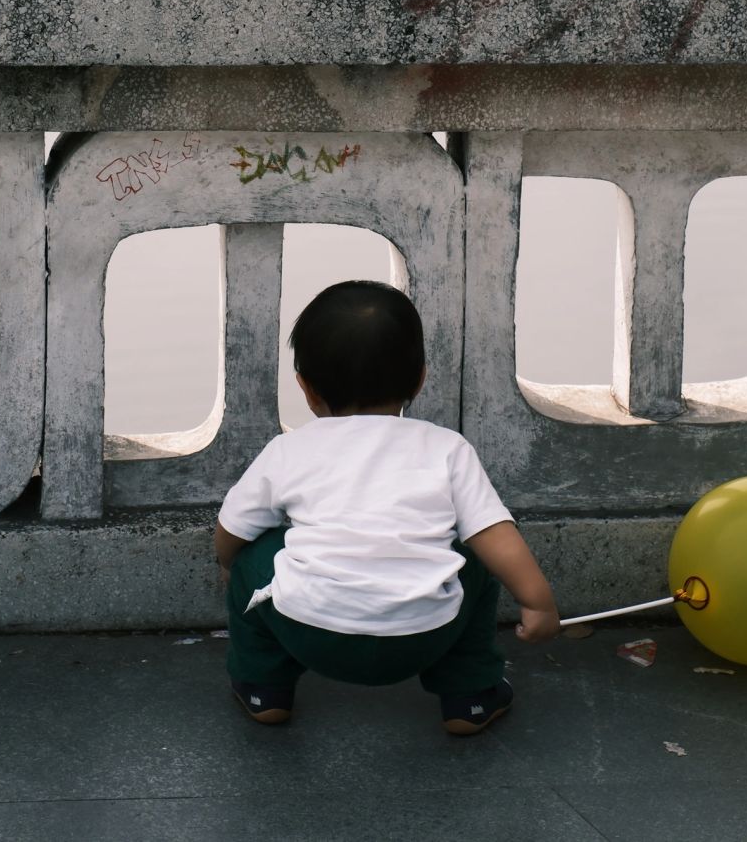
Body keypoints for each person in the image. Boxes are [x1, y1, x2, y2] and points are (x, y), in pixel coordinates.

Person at [214, 280, 560, 736]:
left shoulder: (289, 450)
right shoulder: (446, 448)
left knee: (255, 551)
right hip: (426, 633)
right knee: (475, 555)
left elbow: (229, 529)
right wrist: (538, 603)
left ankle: (264, 691)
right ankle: (470, 696)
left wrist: (230, 568)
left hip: (312, 631)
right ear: (419, 378)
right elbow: (496, 533)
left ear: (305, 387)